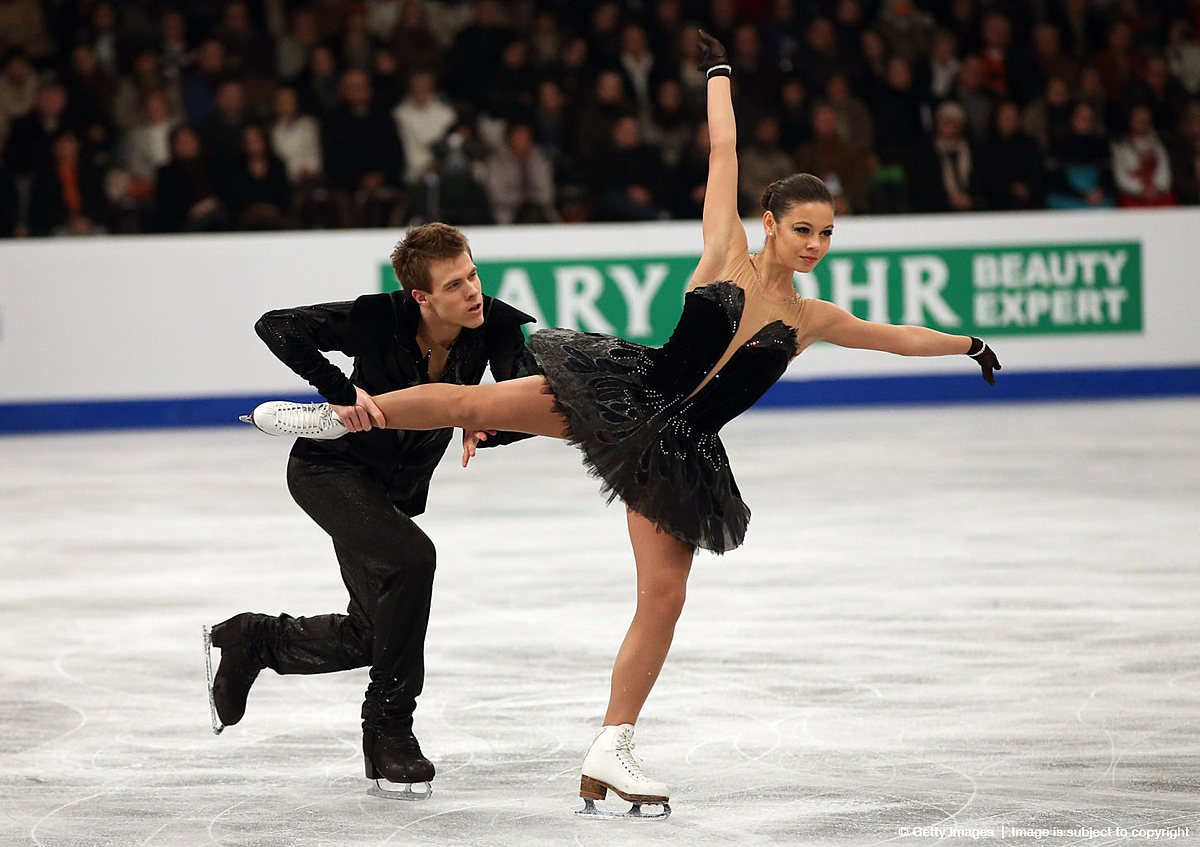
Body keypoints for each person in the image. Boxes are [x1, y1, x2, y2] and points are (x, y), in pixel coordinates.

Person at [247, 31, 1001, 819]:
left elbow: (900, 335)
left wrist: (969, 344)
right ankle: (344, 417)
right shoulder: (725, 249)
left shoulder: (813, 318)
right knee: (473, 404)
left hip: (681, 451)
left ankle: (613, 744)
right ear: (771, 221)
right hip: (628, 393)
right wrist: (717, 73)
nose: (814, 245)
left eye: (827, 233)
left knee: (663, 598)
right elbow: (723, 149)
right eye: (803, 228)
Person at [208, 223, 536, 800]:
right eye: (455, 284)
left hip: (385, 493)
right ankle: (389, 732)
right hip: (329, 472)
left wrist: (489, 429)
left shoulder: (498, 325)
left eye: (474, 274)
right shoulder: (378, 317)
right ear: (421, 297)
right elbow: (276, 326)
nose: (473, 291)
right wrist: (338, 388)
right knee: (413, 559)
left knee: (373, 634)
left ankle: (255, 642)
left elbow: (527, 395)